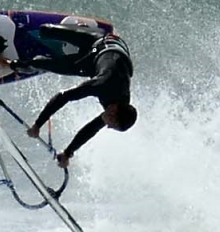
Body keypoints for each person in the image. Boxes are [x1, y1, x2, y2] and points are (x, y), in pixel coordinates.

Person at [24, 27, 136, 168]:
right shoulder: (102, 85)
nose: (107, 125)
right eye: (111, 124)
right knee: (44, 31)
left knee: (39, 63)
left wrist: (68, 153)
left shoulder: (121, 107)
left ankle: (18, 64)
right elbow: (63, 97)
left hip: (107, 51)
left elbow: (91, 129)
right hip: (96, 47)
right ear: (113, 112)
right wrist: (38, 124)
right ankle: (33, 60)